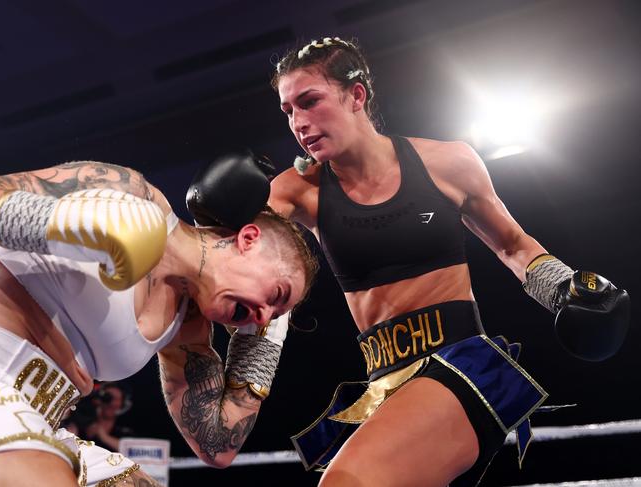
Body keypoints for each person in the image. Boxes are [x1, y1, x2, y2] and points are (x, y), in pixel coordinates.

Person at [185, 37, 631, 487]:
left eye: (309, 101)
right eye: (288, 111)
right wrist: (215, 212)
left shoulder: (447, 162)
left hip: (462, 368)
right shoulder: (297, 189)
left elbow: (513, 245)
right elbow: (220, 254)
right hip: (383, 384)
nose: (299, 123)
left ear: (356, 95)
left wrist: (564, 288)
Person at [0, 159, 318, 487]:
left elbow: (217, 446)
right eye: (276, 294)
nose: (261, 317)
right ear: (248, 239)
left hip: (37, 420)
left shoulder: (186, 328)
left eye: (272, 318)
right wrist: (60, 223)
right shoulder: (128, 193)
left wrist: (260, 344)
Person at [64, 382, 135, 452]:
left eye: (116, 399)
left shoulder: (123, 433)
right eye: (107, 396)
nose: (111, 402)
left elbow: (132, 451)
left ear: (122, 405)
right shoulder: (82, 423)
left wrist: (104, 437)